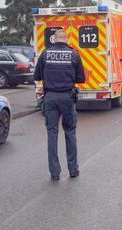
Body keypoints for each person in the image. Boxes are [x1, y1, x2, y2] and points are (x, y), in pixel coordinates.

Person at [34, 29, 86, 180]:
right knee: (70, 132)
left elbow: (36, 76)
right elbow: (81, 78)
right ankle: (73, 170)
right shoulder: (74, 54)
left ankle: (55, 173)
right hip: (67, 97)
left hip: (50, 96)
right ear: (66, 38)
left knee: (52, 133)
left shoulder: (45, 54)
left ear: (54, 39)